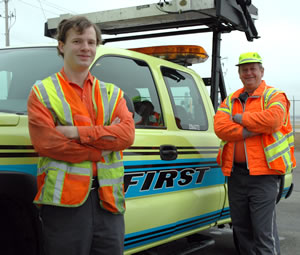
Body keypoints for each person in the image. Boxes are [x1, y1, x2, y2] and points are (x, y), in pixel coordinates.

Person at [27, 16, 135, 255]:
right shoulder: (42, 92)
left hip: (109, 202)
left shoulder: (112, 93)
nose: (85, 48)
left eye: (91, 42)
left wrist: (75, 132)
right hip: (64, 204)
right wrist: (101, 149)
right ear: (62, 45)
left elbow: (126, 135)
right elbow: (49, 144)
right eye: (77, 41)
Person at [214, 52, 296, 255]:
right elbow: (220, 127)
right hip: (236, 175)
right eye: (244, 69)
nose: (248, 73)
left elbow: (273, 120)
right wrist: (250, 129)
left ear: (261, 71)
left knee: (263, 233)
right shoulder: (231, 99)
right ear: (239, 74)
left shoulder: (274, 96)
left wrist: (240, 118)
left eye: (252, 68)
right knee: (242, 231)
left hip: (264, 176)